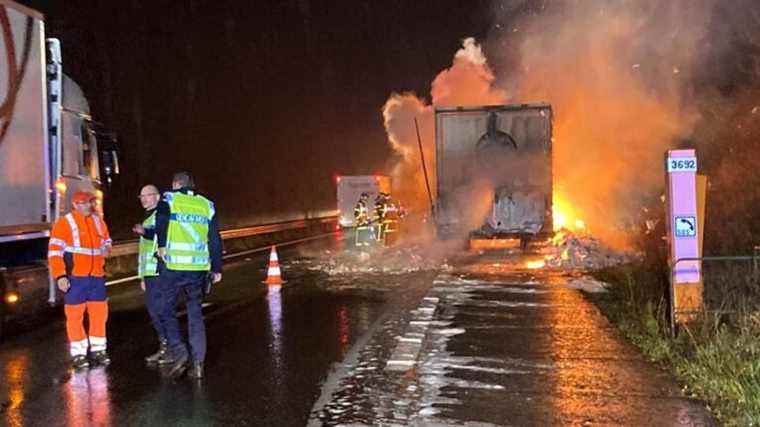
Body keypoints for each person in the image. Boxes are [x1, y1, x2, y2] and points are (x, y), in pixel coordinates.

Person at [155, 172, 222, 379]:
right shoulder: (207, 205)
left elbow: (161, 221)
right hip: (198, 269)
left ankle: (180, 352)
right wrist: (217, 268)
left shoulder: (169, 199)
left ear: (176, 184)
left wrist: (163, 245)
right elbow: (214, 240)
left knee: (166, 309)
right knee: (195, 315)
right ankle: (199, 363)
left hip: (173, 267)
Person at [48, 190, 113, 369]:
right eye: (83, 203)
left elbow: (107, 241)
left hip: (97, 277)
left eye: (89, 202)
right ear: (75, 205)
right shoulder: (64, 223)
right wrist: (60, 275)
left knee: (99, 315)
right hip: (76, 278)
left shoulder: (98, 222)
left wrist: (107, 248)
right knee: (75, 316)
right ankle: (78, 353)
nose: (88, 206)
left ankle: (99, 350)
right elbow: (54, 253)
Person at [132, 184, 168, 365]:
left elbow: (156, 236)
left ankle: (168, 348)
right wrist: (141, 276)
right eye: (141, 196)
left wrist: (145, 232)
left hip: (158, 271)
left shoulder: (160, 215)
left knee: (160, 311)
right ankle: (165, 346)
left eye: (148, 195)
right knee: (155, 312)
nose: (144, 199)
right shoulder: (147, 217)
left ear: (157, 196)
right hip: (149, 273)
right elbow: (143, 251)